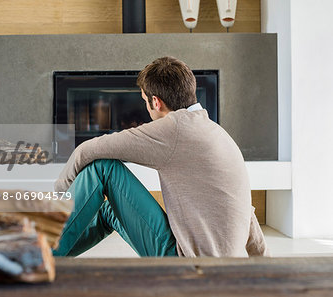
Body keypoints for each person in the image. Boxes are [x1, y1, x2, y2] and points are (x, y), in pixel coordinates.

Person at [53, 56, 269, 257]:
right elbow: (246, 213)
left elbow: (86, 151)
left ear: (156, 102)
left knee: (103, 168)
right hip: (215, 266)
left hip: (185, 262)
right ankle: (50, 256)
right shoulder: (218, 134)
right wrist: (268, 269)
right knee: (110, 211)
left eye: (145, 102)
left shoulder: (175, 128)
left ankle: (36, 257)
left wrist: (60, 197)